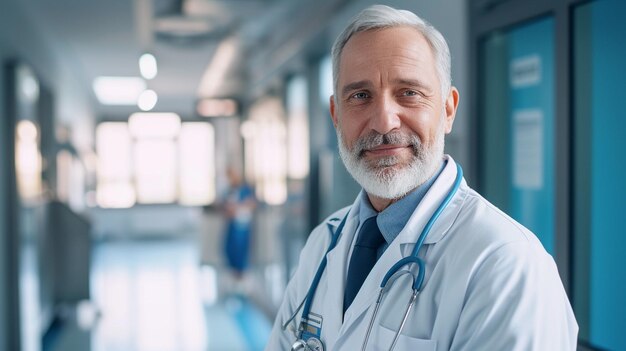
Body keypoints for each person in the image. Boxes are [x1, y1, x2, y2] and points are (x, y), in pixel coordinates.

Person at [266, 4, 577, 351]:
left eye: (409, 93)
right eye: (360, 96)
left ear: (447, 110)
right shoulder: (324, 244)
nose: (384, 122)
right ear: (336, 116)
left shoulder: (505, 265)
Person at [222, 167, 256, 280]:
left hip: (242, 225)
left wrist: (237, 207)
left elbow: (251, 204)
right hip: (232, 224)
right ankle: (235, 275)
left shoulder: (245, 189)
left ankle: (240, 276)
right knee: (230, 249)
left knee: (240, 250)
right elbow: (226, 207)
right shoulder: (230, 190)